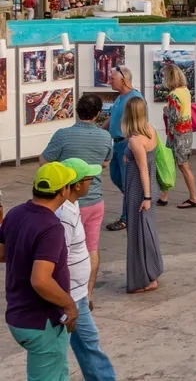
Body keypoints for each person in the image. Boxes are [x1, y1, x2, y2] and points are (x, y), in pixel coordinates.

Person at [0, 162, 78, 380]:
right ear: (63, 190)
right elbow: (40, 281)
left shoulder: (16, 213)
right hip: (41, 321)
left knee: (59, 373)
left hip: (18, 315)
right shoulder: (51, 227)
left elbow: (1, 253)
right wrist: (70, 305)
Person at [39, 93, 112, 308]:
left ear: (77, 111)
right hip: (94, 199)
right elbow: (105, 162)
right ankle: (87, 295)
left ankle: (63, 294)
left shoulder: (62, 135)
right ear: (98, 114)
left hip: (65, 201)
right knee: (91, 247)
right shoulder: (105, 137)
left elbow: (44, 161)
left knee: (61, 249)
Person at [56, 158, 117, 380]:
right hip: (70, 296)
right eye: (90, 178)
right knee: (79, 347)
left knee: (88, 345)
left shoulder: (73, 207)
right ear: (78, 185)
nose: (94, 182)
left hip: (77, 293)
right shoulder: (64, 215)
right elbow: (56, 258)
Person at [121, 96, 163, 293]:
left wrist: (145, 197)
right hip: (149, 187)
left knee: (138, 235)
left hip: (139, 190)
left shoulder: (135, 140)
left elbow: (143, 168)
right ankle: (151, 272)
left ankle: (145, 278)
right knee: (147, 231)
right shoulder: (150, 130)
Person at [105, 66, 144, 232]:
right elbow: (112, 118)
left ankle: (126, 217)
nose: (109, 81)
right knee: (116, 178)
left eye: (112, 78)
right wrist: (98, 129)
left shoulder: (134, 99)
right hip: (116, 144)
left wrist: (131, 148)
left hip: (126, 145)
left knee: (127, 182)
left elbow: (139, 125)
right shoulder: (120, 98)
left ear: (124, 79)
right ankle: (135, 201)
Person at [158, 64, 196, 208]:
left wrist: (166, 110)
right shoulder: (185, 91)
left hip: (177, 134)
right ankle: (164, 196)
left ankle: (194, 197)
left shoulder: (173, 95)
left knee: (181, 165)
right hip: (186, 132)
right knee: (171, 162)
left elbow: (174, 117)